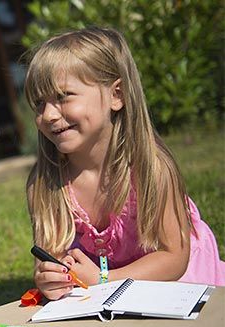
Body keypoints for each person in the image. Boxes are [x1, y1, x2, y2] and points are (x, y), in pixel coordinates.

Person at [24, 27, 225, 300]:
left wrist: (105, 279)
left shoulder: (150, 170)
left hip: (176, 285)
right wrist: (50, 278)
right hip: (103, 294)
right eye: (39, 103)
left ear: (116, 95)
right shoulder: (45, 184)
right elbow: (49, 258)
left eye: (63, 96)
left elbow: (174, 259)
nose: (48, 114)